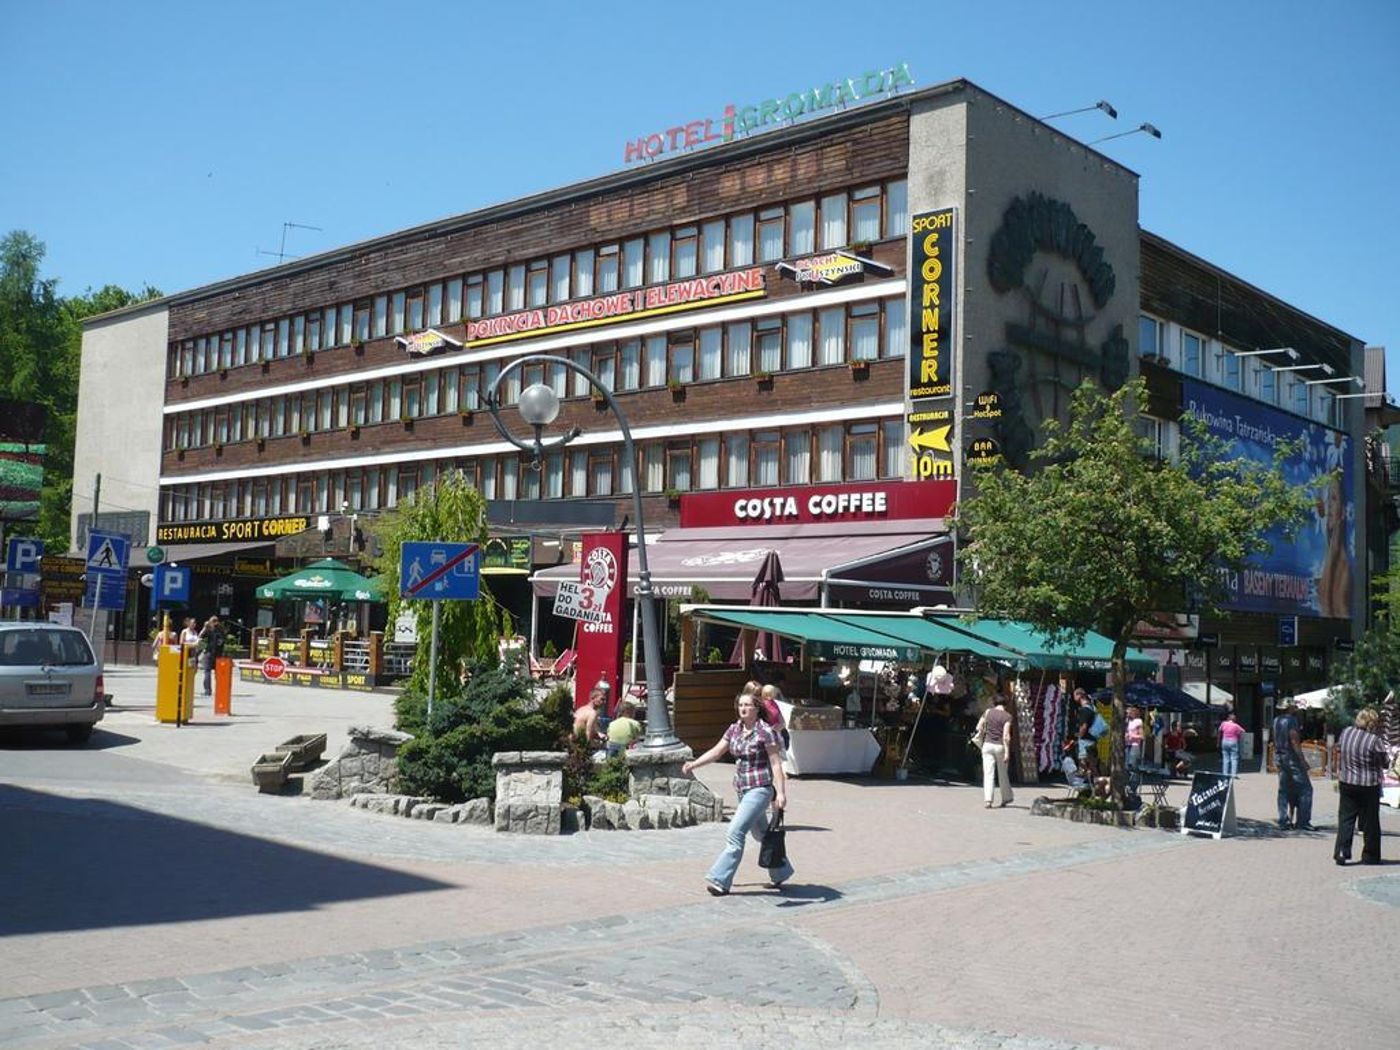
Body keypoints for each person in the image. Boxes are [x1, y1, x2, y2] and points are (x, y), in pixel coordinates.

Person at [683, 692, 792, 896]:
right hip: (742, 789)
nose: (743, 708)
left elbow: (776, 764)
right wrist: (694, 764)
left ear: (757, 708)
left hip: (760, 789)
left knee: (735, 833)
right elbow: (717, 752)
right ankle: (781, 871)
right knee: (762, 834)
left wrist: (781, 794)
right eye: (740, 704)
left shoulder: (765, 732)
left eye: (747, 705)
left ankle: (719, 880)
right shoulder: (734, 729)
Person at [1333, 707, 1390, 865]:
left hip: (1347, 781)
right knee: (1371, 821)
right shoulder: (1373, 740)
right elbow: (1385, 763)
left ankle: (1342, 852)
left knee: (1346, 818)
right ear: (1372, 723)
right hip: (1368, 784)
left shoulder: (1346, 733)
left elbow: (1339, 750)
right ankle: (1370, 855)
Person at [1272, 699, 1314, 831]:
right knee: (1306, 789)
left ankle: (1283, 820)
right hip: (1291, 758)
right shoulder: (1291, 720)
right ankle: (1303, 821)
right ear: (1289, 707)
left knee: (1284, 789)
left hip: (1279, 756)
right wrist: (1302, 760)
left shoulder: (1276, 720)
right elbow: (1294, 740)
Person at [979, 696, 1014, 808]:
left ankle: (988, 800)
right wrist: (1007, 752)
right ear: (1005, 704)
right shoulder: (1008, 717)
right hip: (1000, 746)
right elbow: (1006, 736)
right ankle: (1006, 798)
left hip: (987, 745)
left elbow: (979, 726)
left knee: (988, 773)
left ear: (994, 703)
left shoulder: (988, 712)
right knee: (1003, 774)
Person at [197, 615, 226, 697]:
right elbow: (223, 641)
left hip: (209, 653)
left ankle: (207, 690)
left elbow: (200, 637)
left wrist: (205, 627)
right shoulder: (221, 630)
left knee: (207, 672)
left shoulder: (209, 629)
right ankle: (220, 690)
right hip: (219, 654)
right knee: (218, 673)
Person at [758, 684, 789, 749]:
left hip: (777, 730)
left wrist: (781, 725)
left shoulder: (774, 703)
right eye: (772, 693)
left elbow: (780, 717)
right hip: (768, 732)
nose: (774, 695)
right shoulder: (762, 705)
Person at [1218, 710, 1246, 779]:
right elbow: (1243, 731)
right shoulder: (1236, 726)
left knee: (1225, 758)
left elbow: (1219, 731)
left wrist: (1218, 741)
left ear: (1228, 718)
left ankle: (1225, 774)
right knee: (1234, 758)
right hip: (1233, 741)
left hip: (1224, 741)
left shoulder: (1223, 723)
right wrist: (1238, 736)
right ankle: (1233, 774)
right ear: (1234, 719)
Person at [1125, 705, 1144, 771]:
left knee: (1132, 764)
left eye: (1129, 712)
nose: (1128, 714)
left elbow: (1142, 736)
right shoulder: (1127, 721)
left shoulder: (1138, 721)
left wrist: (1131, 736)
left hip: (1134, 745)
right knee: (1125, 764)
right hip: (1126, 744)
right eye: (1127, 713)